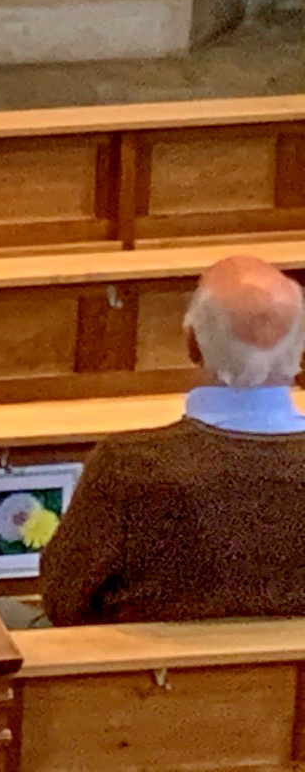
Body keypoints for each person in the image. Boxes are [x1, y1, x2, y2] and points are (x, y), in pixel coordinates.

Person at [39, 254, 305, 626]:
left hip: (141, 663)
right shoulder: (129, 464)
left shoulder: (127, 465)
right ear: (300, 350)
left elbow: (63, 600)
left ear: (192, 344)